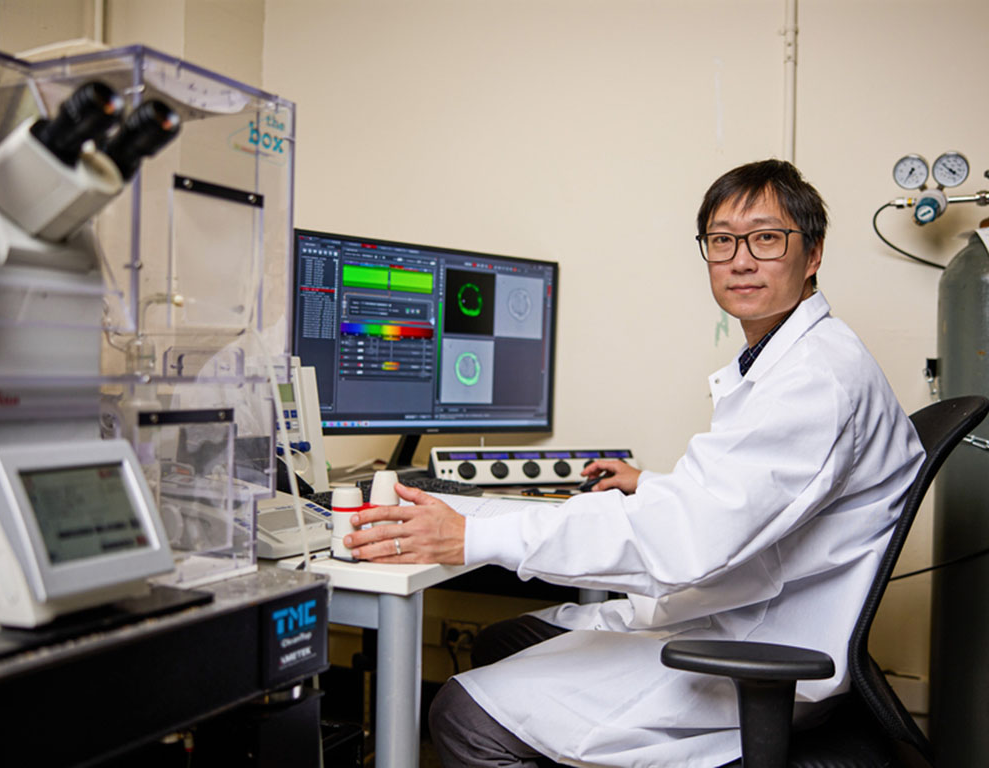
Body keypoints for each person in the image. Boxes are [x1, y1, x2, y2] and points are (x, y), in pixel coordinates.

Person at [342, 159, 925, 767]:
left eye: (766, 237)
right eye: (722, 240)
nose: (740, 259)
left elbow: (683, 542)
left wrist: (471, 534)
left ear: (813, 255)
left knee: (461, 717)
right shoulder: (792, 358)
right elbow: (758, 492)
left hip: (763, 651)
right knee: (504, 637)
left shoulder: (814, 379)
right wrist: (650, 484)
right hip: (741, 607)